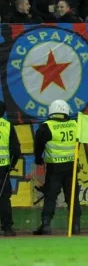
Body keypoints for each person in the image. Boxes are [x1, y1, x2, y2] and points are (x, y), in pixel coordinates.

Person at [33, 100, 80, 235]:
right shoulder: (75, 124)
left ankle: (46, 225)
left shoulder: (46, 127)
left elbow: (38, 146)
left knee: (51, 196)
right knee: (72, 196)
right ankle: (75, 225)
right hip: (71, 166)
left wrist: (38, 159)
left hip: (55, 167)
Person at [0, 100, 22, 237]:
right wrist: (11, 166)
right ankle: (7, 228)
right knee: (3, 199)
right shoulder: (7, 126)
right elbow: (16, 150)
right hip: (2, 169)